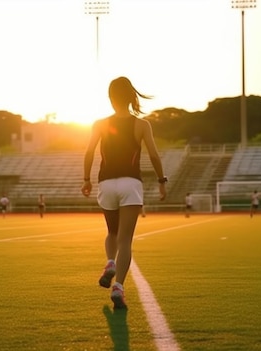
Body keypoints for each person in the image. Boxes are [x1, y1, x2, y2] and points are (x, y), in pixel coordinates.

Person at [81, 76, 167, 310]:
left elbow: (89, 152)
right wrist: (161, 180)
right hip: (131, 184)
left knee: (112, 232)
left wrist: (87, 179)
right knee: (125, 240)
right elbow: (154, 156)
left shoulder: (99, 123)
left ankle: (110, 262)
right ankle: (118, 286)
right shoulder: (142, 125)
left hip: (106, 183)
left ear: (110, 98)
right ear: (131, 97)